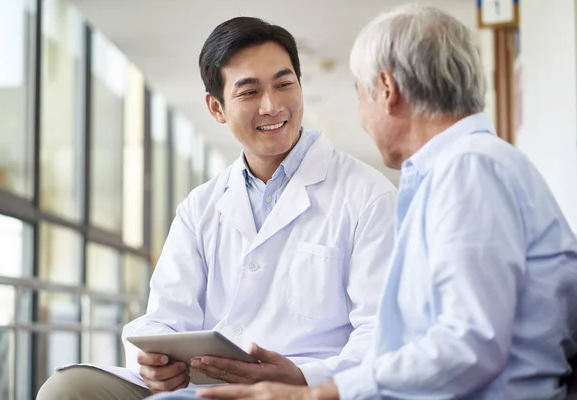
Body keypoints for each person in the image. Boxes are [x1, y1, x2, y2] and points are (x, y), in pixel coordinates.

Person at [169, 4, 577, 400]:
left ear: (387, 90)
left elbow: (468, 348)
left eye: (360, 93)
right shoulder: (460, 170)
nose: (362, 116)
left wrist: (321, 392)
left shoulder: (470, 170)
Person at [36, 16, 397, 400]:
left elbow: (383, 330)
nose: (272, 105)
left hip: (308, 388)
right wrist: (156, 363)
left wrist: (304, 377)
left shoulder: (368, 195)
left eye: (284, 84)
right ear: (217, 108)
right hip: (204, 386)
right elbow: (166, 316)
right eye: (249, 92)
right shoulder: (200, 206)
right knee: (68, 389)